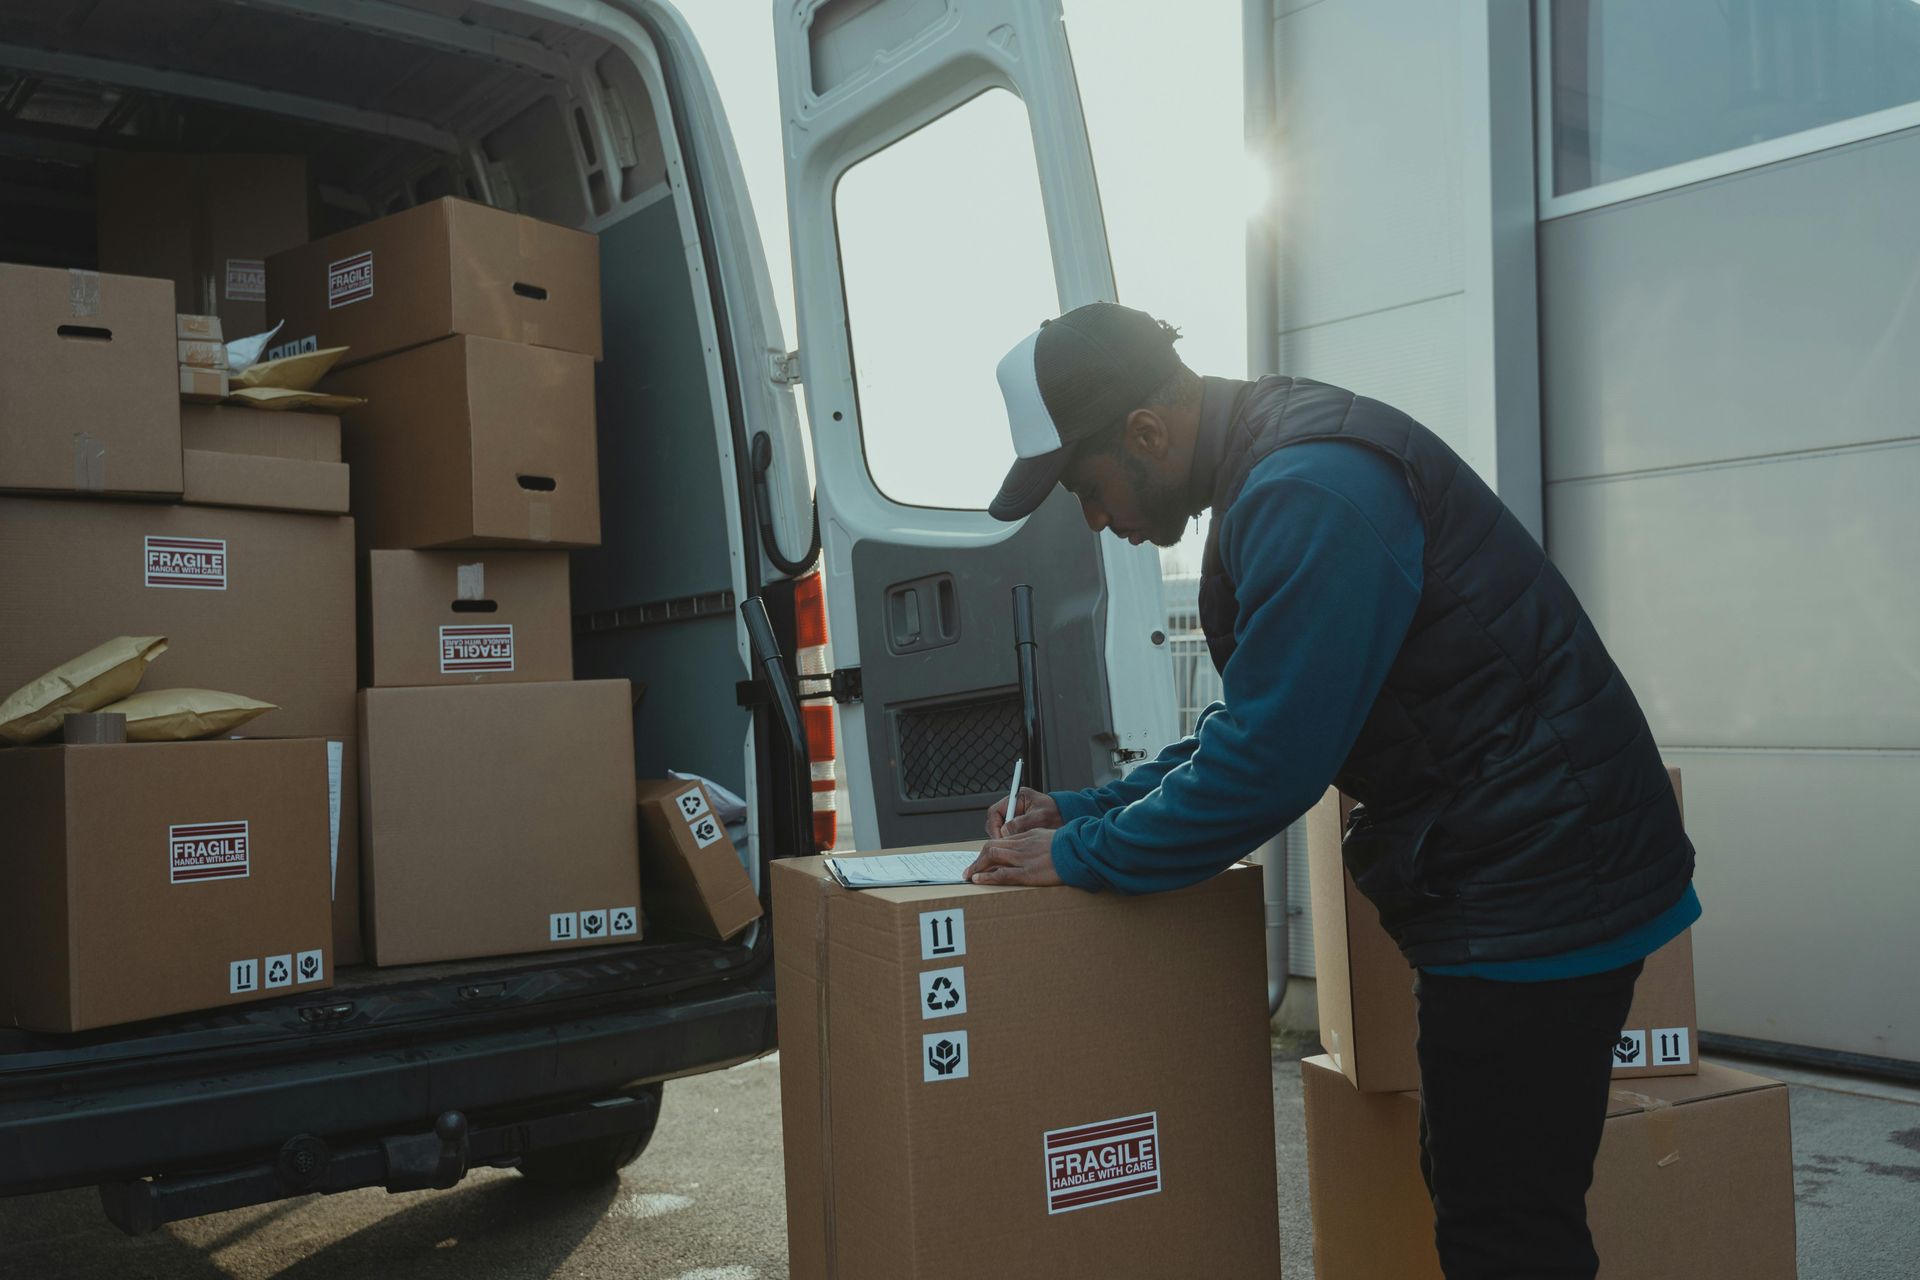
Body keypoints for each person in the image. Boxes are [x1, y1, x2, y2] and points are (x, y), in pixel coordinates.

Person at [962, 302, 1697, 1280]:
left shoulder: (1310, 486)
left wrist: (1077, 856)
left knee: (1507, 1226)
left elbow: (1270, 760)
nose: (1098, 520)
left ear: (1146, 432)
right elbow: (1268, 716)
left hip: (1544, 884)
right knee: (1491, 1193)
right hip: (1532, 868)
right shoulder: (1280, 465)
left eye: (1089, 490)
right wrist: (1085, 811)